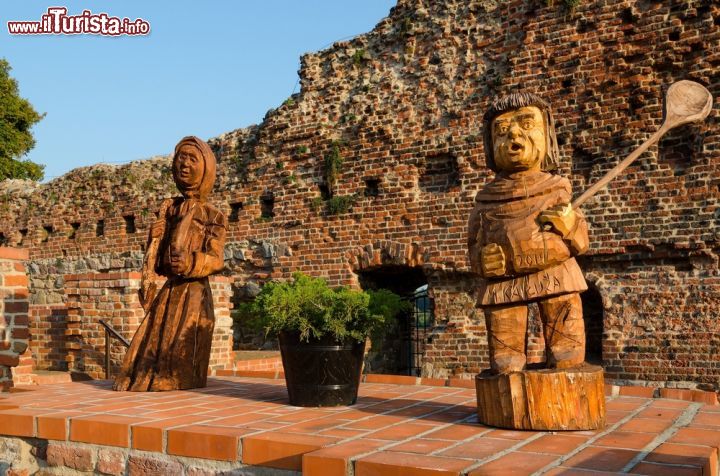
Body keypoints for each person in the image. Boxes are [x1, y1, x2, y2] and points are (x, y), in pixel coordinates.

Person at [468, 93, 590, 374]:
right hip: (503, 285)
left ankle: (564, 358)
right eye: (501, 130)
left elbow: (580, 241)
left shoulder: (557, 188)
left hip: (556, 276)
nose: (514, 135)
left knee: (566, 351)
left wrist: (568, 224)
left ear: (546, 134)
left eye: (526, 124)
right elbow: (473, 245)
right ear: (490, 145)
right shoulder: (485, 199)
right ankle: (508, 364)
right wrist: (481, 260)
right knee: (505, 360)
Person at [114, 136, 227, 391]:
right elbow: (159, 266)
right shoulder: (169, 210)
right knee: (150, 344)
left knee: (180, 347)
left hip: (194, 293)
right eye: (180, 158)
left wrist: (192, 261)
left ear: (206, 167)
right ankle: (142, 377)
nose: (184, 165)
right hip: (170, 291)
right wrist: (155, 240)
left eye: (192, 159)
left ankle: (175, 378)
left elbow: (217, 258)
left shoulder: (213, 216)